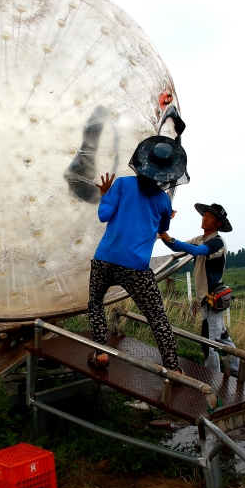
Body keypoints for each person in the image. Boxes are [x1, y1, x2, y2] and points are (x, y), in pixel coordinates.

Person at [87, 134, 188, 370]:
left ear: (143, 161)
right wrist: (164, 215)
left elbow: (104, 216)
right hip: (137, 268)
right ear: (168, 174)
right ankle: (172, 367)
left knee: (95, 304)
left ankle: (100, 354)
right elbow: (162, 229)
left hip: (105, 259)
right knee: (157, 317)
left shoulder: (122, 184)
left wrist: (105, 195)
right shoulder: (164, 201)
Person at [159, 203, 240, 376]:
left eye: (210, 216)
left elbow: (197, 251)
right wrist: (164, 233)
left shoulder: (217, 243)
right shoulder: (200, 239)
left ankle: (212, 378)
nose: (205, 218)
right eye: (205, 215)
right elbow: (178, 247)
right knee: (222, 337)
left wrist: (170, 239)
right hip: (206, 299)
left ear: (218, 223)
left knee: (209, 343)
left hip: (212, 299)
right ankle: (237, 371)